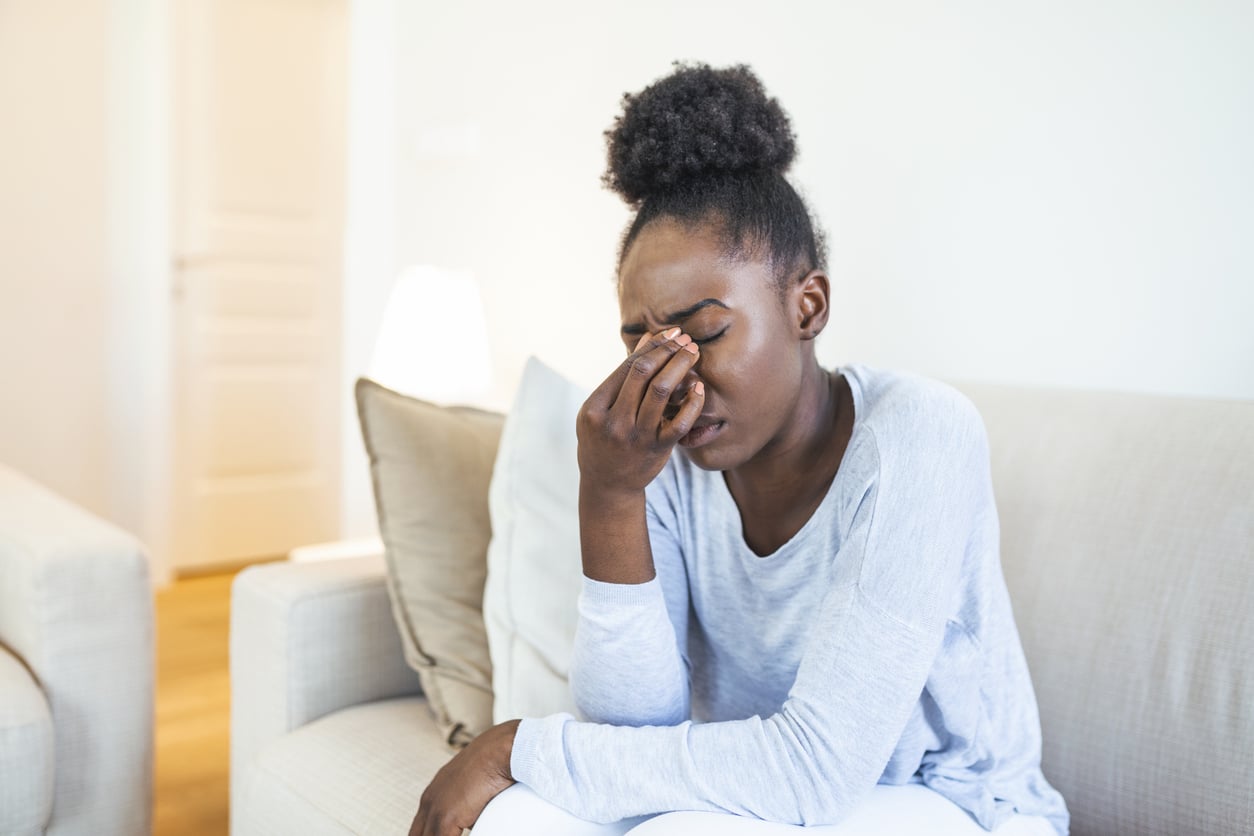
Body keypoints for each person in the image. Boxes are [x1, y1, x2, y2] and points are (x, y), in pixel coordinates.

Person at [409, 62, 1070, 836]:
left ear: (808, 306)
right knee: (518, 818)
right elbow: (634, 725)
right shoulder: (664, 449)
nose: (674, 380)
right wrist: (611, 496)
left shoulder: (921, 433)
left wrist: (519, 744)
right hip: (756, 798)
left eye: (707, 333)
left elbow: (815, 772)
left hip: (960, 805)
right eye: (643, 346)